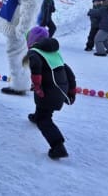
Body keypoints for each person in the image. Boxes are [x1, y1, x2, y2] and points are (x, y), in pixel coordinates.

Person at [24, 26, 76, 159]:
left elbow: (35, 68)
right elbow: (68, 70)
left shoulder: (34, 53)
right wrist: (71, 90)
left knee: (45, 119)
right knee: (43, 108)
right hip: (61, 87)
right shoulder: (53, 51)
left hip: (49, 90)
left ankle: (58, 146)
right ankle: (37, 116)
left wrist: (37, 85)